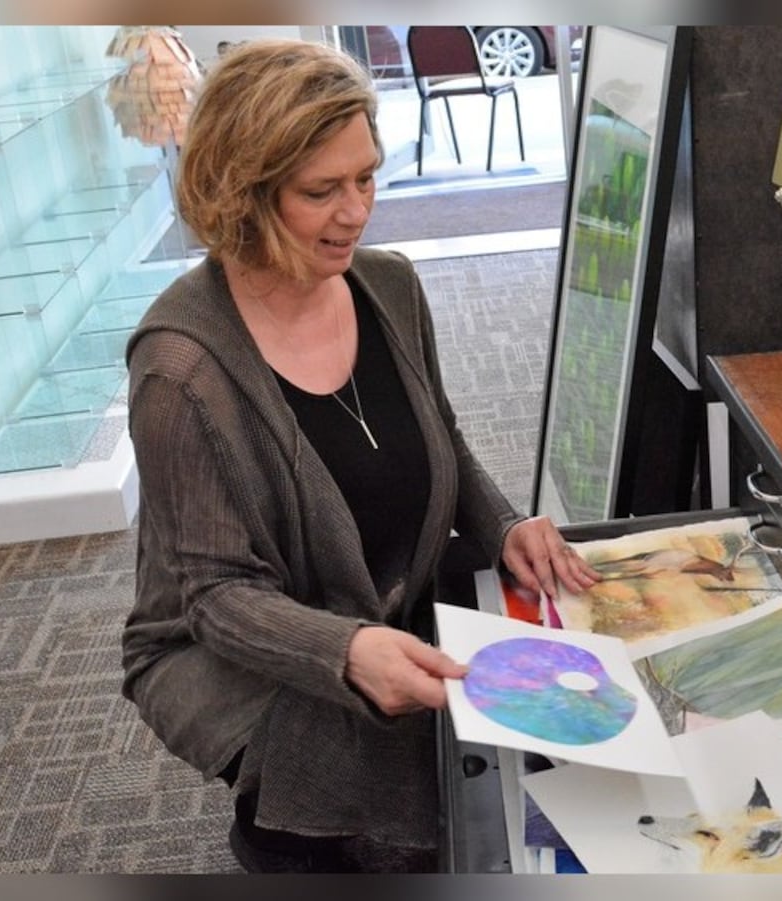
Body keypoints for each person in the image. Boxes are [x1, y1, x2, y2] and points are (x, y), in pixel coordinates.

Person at [120, 38, 598, 873]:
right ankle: (281, 827)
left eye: (367, 177)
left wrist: (503, 527)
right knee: (402, 824)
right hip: (242, 648)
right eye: (321, 191)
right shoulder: (180, 372)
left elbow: (441, 438)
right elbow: (215, 598)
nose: (357, 211)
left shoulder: (391, 285)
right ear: (244, 192)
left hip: (382, 587)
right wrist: (343, 652)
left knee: (550, 753)